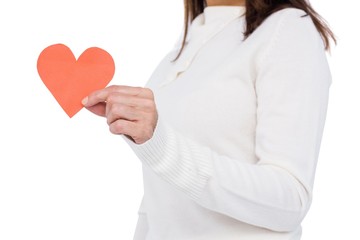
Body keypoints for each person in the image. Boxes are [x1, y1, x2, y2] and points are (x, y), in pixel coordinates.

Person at [81, 0, 336, 239]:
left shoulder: (288, 29)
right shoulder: (189, 41)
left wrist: (161, 145)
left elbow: (290, 201)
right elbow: (161, 200)